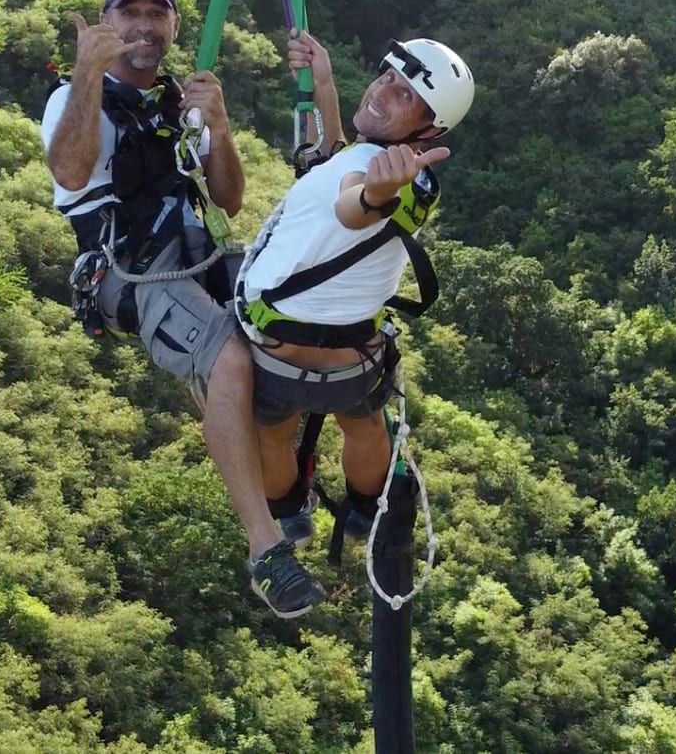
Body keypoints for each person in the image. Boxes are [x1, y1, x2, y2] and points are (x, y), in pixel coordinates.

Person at [199, 31, 475, 619]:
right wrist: (324, 84)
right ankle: (363, 509)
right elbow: (344, 164)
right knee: (365, 424)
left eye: (403, 97)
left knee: (271, 434)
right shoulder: (400, 174)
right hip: (351, 360)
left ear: (428, 133)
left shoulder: (396, 180)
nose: (382, 93)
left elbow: (356, 201)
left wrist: (374, 195)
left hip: (276, 353)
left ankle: (289, 507)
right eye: (386, 79)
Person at [40, 0, 251, 415]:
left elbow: (228, 200)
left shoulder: (179, 103)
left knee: (287, 317)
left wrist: (219, 127)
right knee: (230, 356)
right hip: (127, 270)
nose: (143, 26)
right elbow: (71, 176)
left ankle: (285, 471)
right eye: (129, 13)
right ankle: (252, 486)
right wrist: (86, 73)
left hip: (194, 252)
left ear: (174, 26)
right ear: (106, 21)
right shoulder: (74, 98)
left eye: (156, 14)